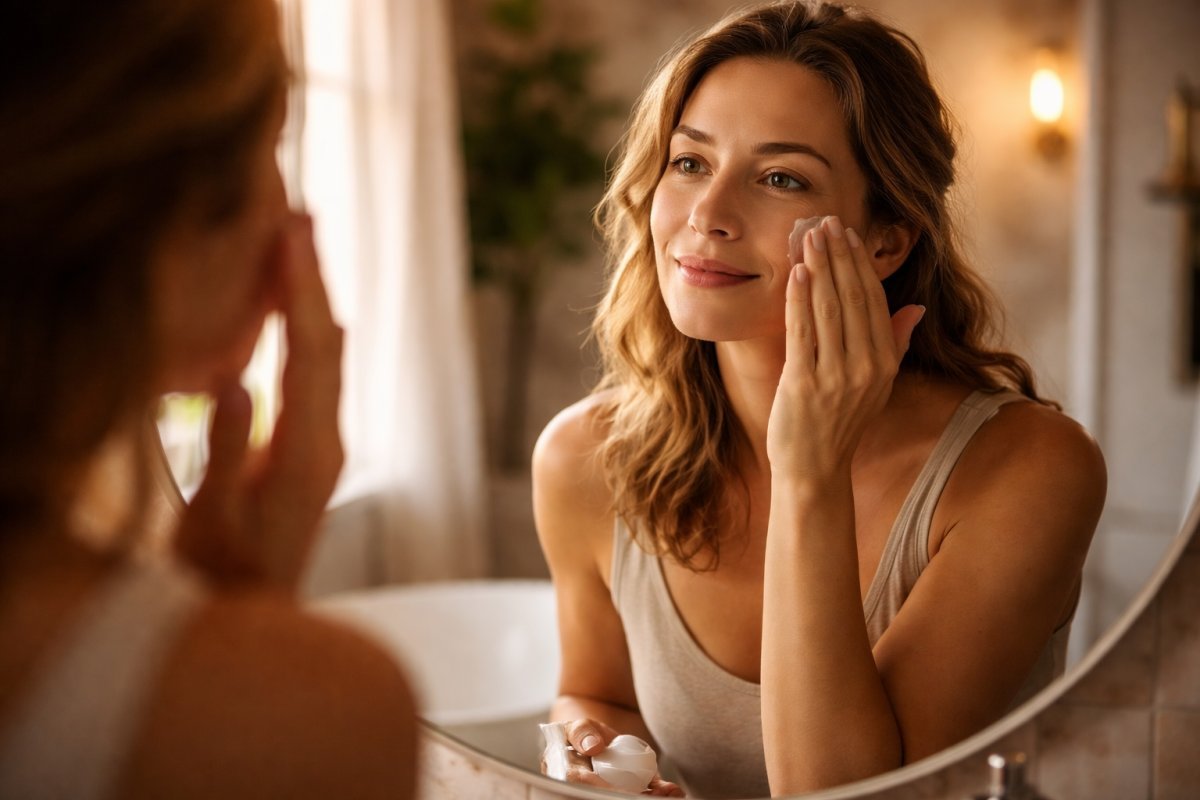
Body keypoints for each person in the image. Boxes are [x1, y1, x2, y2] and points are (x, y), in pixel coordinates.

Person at [533, 1, 1106, 797]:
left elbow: (845, 791)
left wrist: (808, 470)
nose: (707, 214)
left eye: (779, 178)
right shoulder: (582, 458)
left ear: (885, 241)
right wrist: (589, 749)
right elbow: (598, 693)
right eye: (689, 162)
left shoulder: (1027, 470)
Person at [0, 1, 418, 797]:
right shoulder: (321, 710)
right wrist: (240, 658)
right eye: (273, 146)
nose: (291, 212)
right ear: (179, 213)